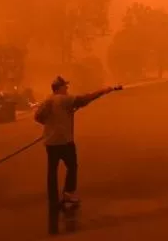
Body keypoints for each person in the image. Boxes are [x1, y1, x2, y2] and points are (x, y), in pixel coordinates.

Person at [34, 76, 122, 209]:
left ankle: (53, 199)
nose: (67, 88)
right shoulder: (64, 99)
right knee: (72, 166)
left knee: (52, 170)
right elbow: (84, 99)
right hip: (64, 141)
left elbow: (38, 117)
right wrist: (104, 90)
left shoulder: (48, 100)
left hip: (50, 142)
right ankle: (68, 193)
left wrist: (51, 126)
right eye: (65, 86)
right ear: (59, 88)